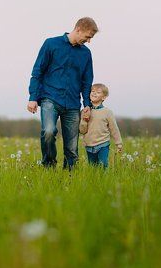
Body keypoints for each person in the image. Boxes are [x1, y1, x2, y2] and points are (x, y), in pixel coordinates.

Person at [27, 17, 97, 169]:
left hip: (72, 103)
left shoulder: (86, 53)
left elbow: (87, 81)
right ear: (78, 29)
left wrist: (87, 104)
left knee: (72, 147)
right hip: (50, 98)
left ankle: (70, 174)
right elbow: (37, 72)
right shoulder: (51, 44)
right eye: (87, 37)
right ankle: (49, 166)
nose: (89, 41)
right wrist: (33, 97)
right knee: (48, 131)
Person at [79, 83, 123, 168]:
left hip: (103, 143)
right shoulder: (85, 111)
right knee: (92, 167)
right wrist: (84, 121)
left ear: (103, 97)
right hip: (89, 145)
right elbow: (82, 131)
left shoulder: (107, 112)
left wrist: (119, 143)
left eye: (98, 92)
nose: (94, 93)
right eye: (92, 91)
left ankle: (105, 176)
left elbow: (114, 129)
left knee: (103, 165)